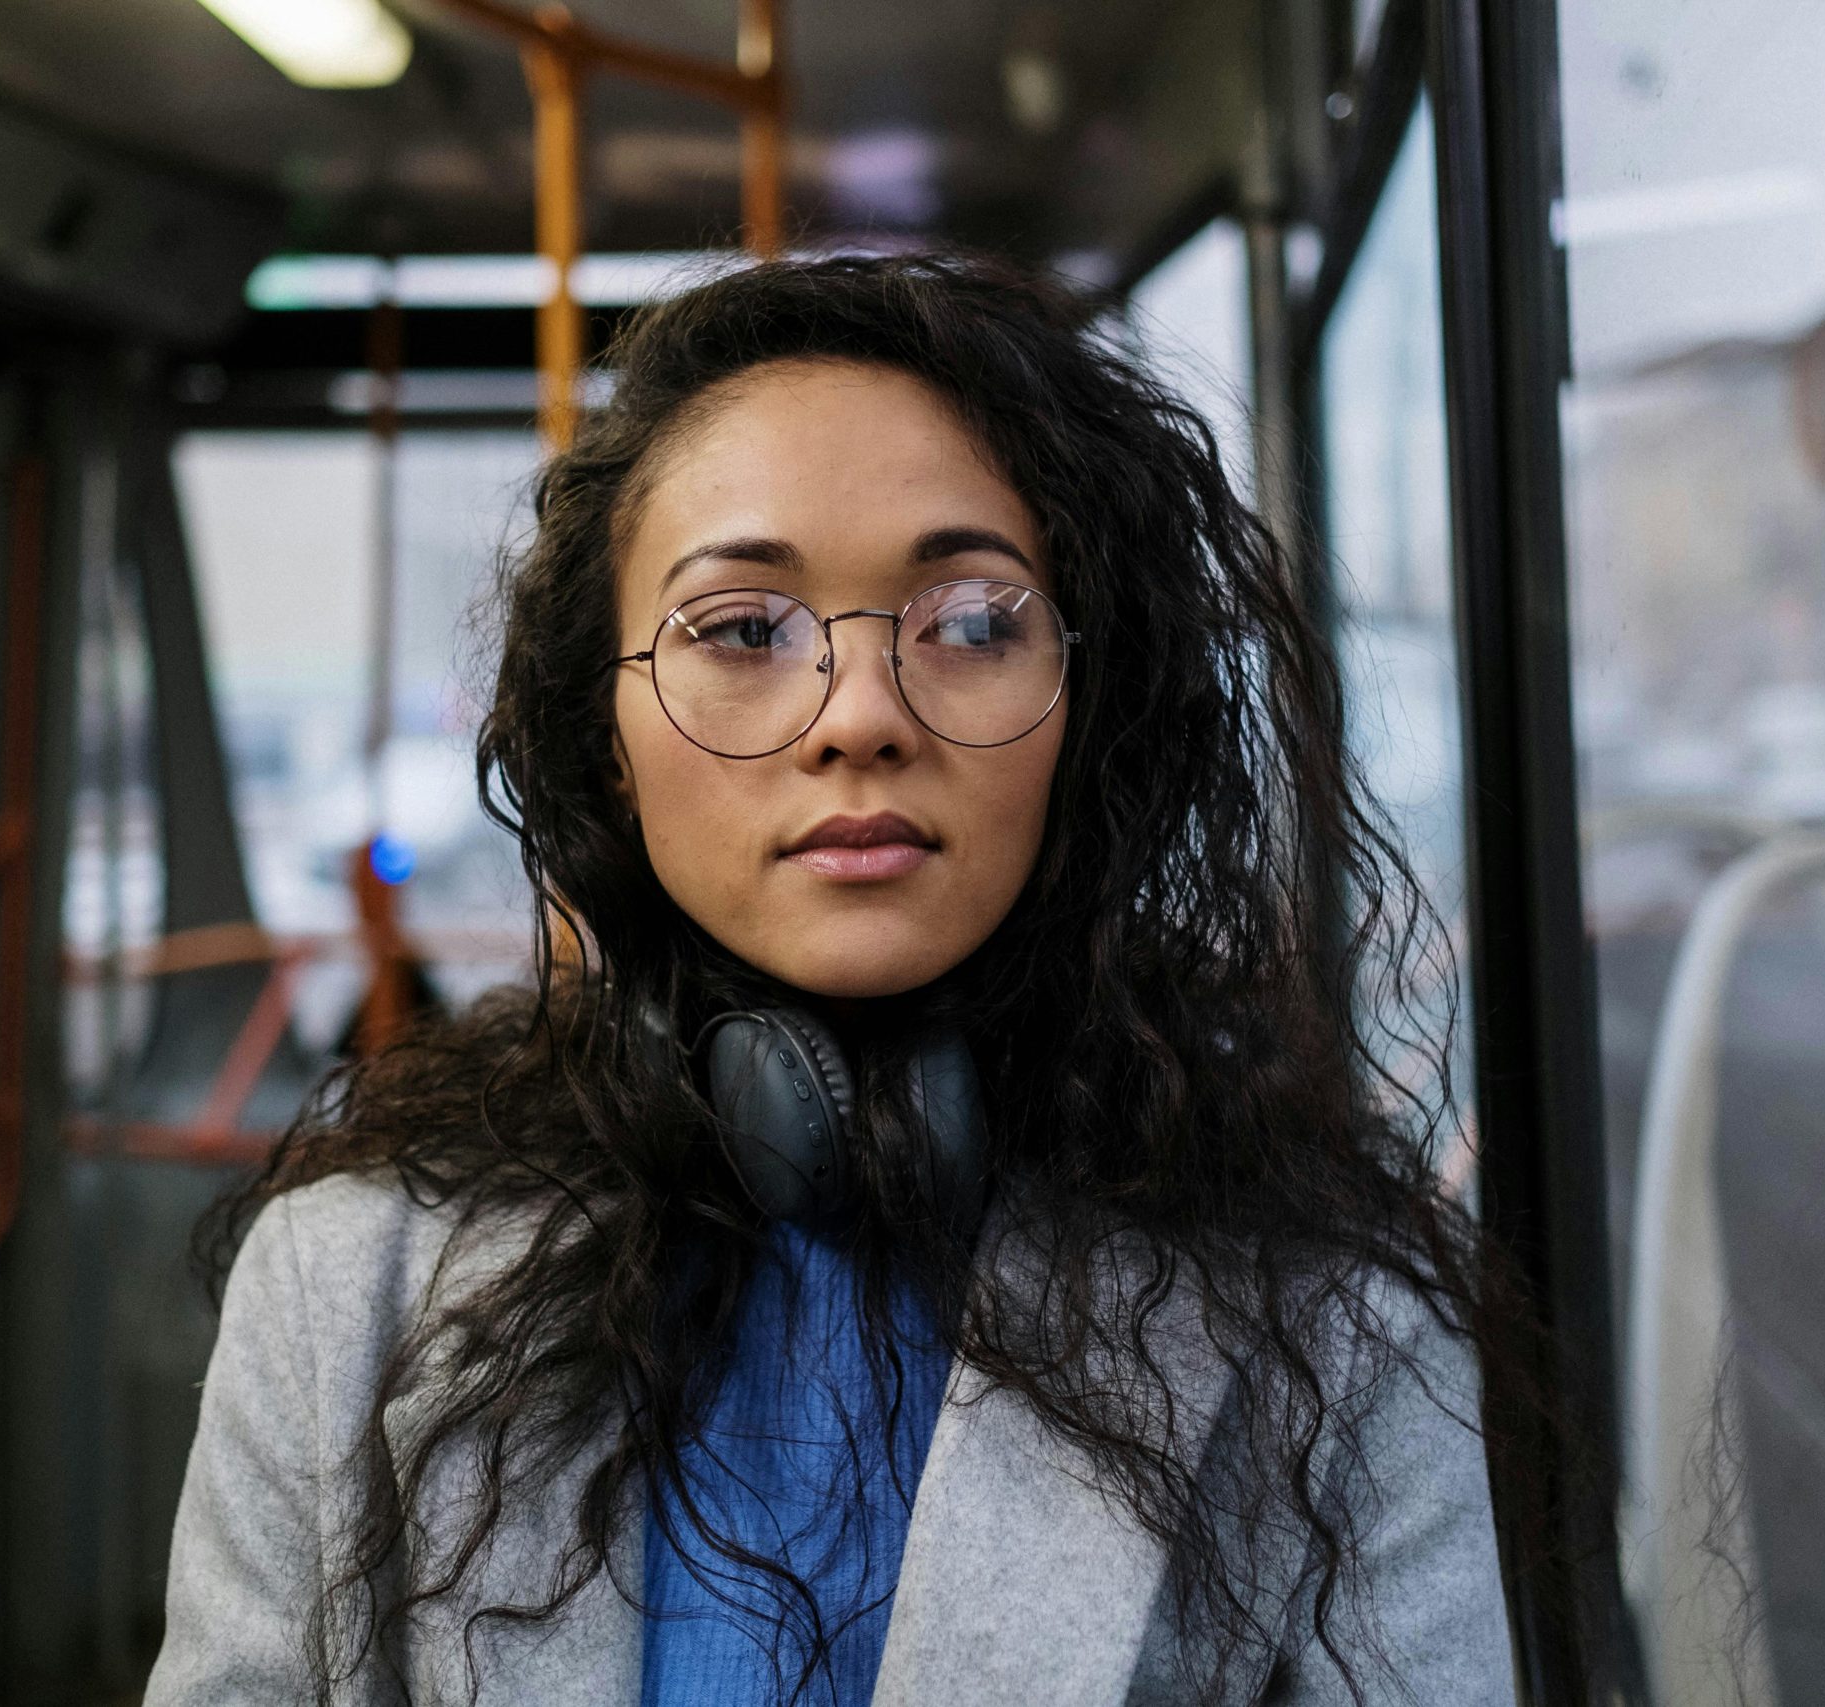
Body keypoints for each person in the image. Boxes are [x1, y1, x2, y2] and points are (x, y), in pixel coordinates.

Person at [145, 252, 1543, 1706]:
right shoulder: (339, 1287)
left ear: (1097, 708)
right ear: (605, 737)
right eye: (744, 631)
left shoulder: (1341, 1323)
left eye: (976, 622)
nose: (861, 716)